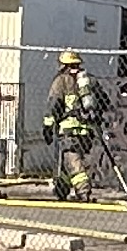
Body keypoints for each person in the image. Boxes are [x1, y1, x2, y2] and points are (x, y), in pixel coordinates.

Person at [45, 47, 105, 202]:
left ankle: (84, 192)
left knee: (74, 163)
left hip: (68, 130)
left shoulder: (61, 81)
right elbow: (105, 102)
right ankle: (61, 189)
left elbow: (54, 105)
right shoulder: (90, 80)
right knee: (69, 163)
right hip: (87, 132)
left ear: (63, 64)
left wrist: (47, 126)